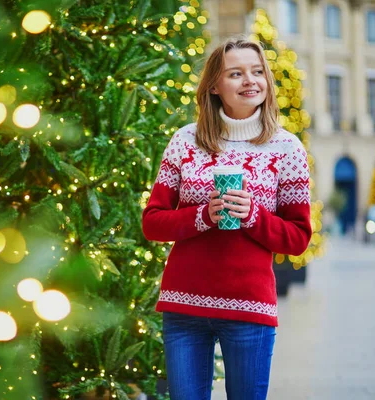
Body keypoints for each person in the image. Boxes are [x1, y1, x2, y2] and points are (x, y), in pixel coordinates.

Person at [142, 36, 312, 400]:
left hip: (250, 310)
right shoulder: (185, 141)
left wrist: (252, 215)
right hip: (184, 307)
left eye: (257, 72)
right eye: (236, 73)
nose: (250, 81)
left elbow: (297, 238)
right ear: (215, 86)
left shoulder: (287, 149)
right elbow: (152, 222)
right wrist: (203, 215)